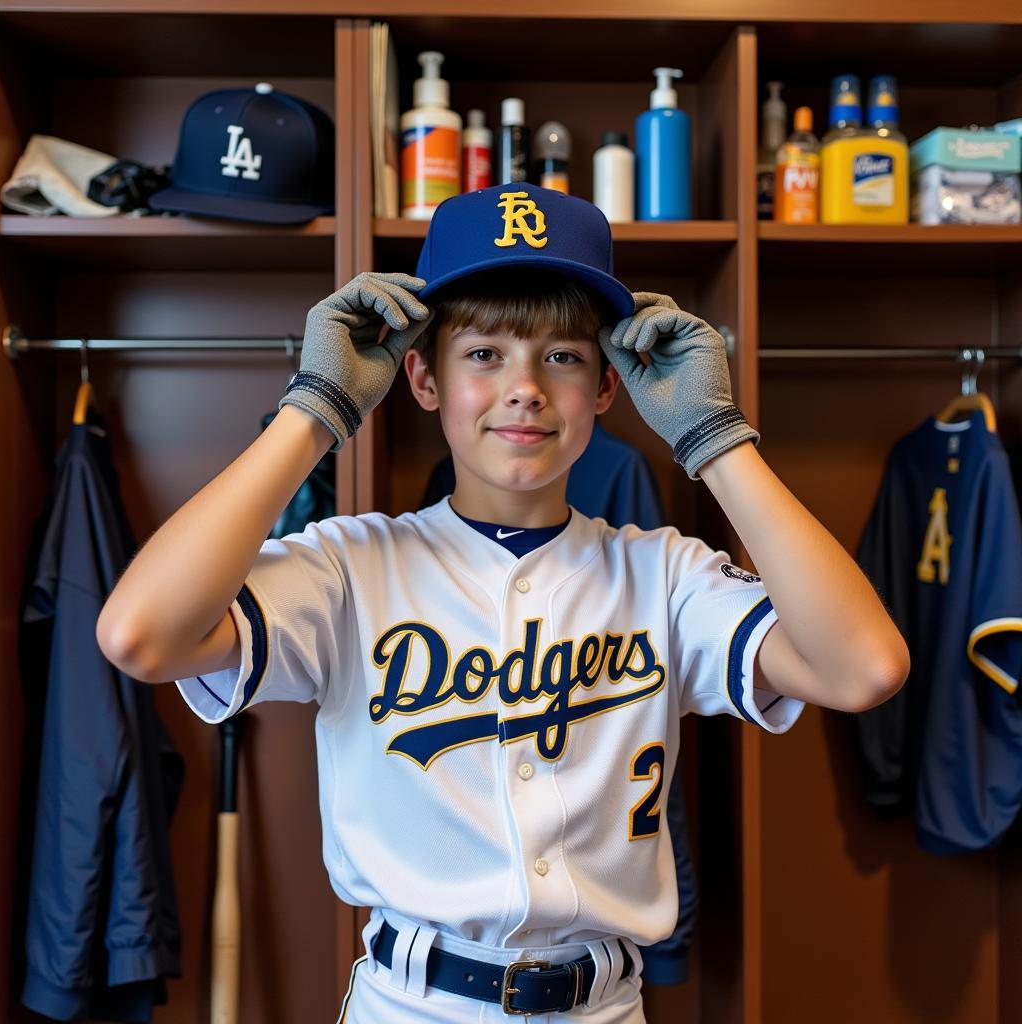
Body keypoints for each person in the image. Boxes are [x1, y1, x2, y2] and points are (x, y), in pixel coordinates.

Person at [97, 183, 909, 1023]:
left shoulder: (663, 574)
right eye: (484, 354)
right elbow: (141, 635)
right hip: (410, 1004)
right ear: (421, 377)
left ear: (606, 388)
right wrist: (318, 408)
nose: (524, 387)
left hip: (603, 1004)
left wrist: (714, 437)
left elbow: (865, 668)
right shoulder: (348, 566)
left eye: (562, 355)